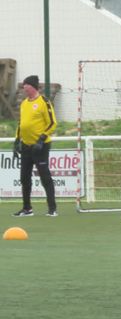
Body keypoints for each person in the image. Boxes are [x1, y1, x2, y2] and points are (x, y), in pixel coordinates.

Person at [12, 75, 58, 217]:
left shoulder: (44, 102)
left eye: (26, 85)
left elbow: (52, 123)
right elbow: (21, 124)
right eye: (23, 85)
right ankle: (27, 209)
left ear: (32, 87)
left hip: (41, 146)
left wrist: (41, 139)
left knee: (45, 177)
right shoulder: (24, 103)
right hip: (26, 146)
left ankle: (52, 209)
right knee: (24, 178)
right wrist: (16, 141)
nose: (24, 88)